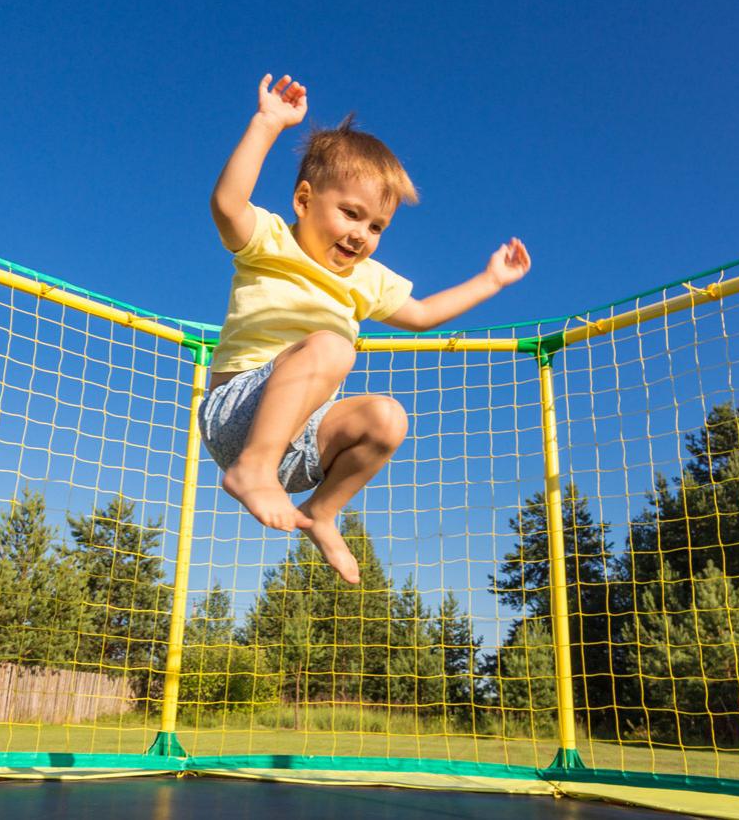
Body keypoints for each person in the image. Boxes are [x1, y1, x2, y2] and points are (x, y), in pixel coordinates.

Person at [201, 73, 530, 585]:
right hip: (236, 415)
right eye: (350, 214)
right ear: (304, 200)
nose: (361, 235)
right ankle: (252, 469)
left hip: (305, 441)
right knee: (334, 347)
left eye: (376, 227)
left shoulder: (367, 279)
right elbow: (227, 204)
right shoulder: (269, 240)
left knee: (387, 417)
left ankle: (323, 512)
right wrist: (268, 124)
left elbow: (421, 315)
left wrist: (491, 280)